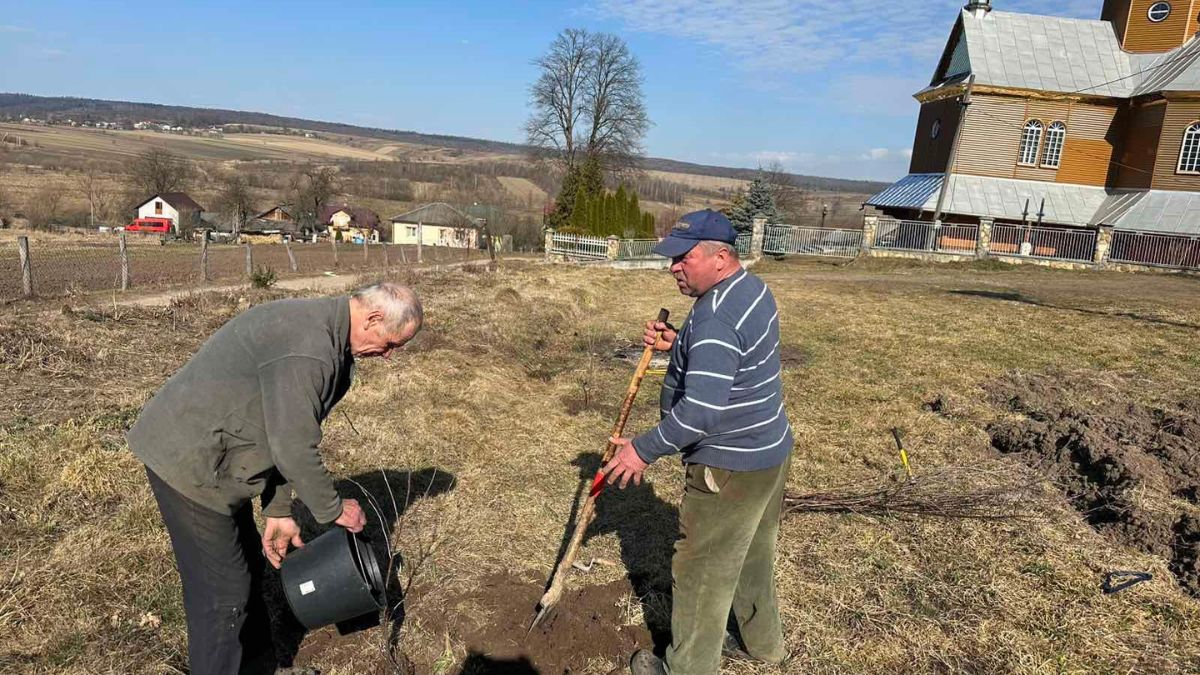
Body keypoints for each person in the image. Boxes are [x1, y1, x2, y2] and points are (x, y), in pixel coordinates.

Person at [127, 282, 423, 675]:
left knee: (248, 572)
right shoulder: (311, 348)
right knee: (223, 597)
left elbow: (281, 428)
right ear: (372, 318)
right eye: (390, 344)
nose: (388, 356)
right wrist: (334, 509)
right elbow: (293, 447)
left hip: (222, 456)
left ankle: (258, 669)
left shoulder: (330, 340)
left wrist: (279, 509)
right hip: (189, 461)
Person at [603, 210, 794, 675]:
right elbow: (732, 354)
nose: (673, 267)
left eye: (683, 258)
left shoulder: (714, 317)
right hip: (768, 452)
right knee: (752, 553)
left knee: (701, 570)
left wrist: (641, 450)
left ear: (720, 257)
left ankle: (687, 669)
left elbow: (699, 414)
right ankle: (764, 644)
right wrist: (679, 344)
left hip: (729, 466)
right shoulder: (751, 289)